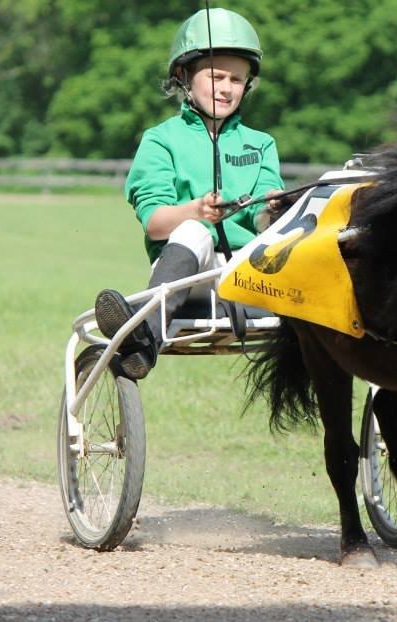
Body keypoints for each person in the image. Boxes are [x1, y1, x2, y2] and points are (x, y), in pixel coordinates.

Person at [94, 7, 284, 380]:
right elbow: (154, 224)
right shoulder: (161, 140)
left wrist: (274, 207)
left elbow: (265, 219)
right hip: (186, 280)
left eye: (237, 79)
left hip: (248, 278)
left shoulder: (262, 145)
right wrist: (195, 211)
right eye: (216, 76)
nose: (227, 88)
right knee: (194, 232)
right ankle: (144, 338)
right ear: (183, 76)